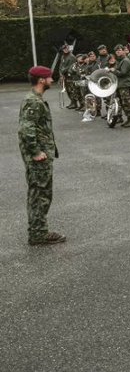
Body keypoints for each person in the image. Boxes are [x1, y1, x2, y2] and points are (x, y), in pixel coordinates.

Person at [20, 66, 65, 246]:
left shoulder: (34, 99)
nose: (51, 80)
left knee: (38, 192)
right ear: (41, 80)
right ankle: (38, 234)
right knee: (40, 193)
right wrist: (36, 152)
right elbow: (26, 129)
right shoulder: (33, 101)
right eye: (49, 78)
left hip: (40, 154)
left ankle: (38, 230)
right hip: (38, 157)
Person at [113, 43, 130, 127]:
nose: (118, 52)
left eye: (119, 50)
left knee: (126, 102)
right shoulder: (121, 60)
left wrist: (113, 70)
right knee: (124, 103)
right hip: (121, 84)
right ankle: (129, 119)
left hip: (124, 84)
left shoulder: (125, 60)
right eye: (116, 51)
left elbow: (123, 73)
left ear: (123, 51)